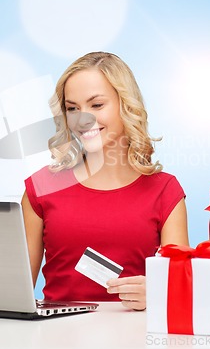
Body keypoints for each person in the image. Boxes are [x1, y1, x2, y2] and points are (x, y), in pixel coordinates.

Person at [21, 52, 188, 311]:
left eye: (97, 105)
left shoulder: (165, 191)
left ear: (126, 105)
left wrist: (160, 292)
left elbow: (181, 291)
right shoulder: (40, 188)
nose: (82, 118)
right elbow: (16, 293)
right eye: (72, 108)